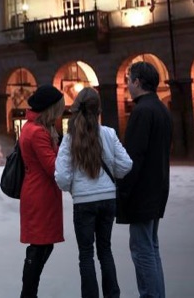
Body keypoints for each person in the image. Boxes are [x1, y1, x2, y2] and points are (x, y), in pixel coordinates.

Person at [55, 87, 133, 298]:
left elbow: (62, 177)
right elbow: (126, 165)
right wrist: (111, 177)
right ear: (98, 110)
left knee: (86, 254)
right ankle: (112, 295)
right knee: (105, 251)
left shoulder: (70, 139)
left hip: (83, 203)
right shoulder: (109, 134)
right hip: (108, 200)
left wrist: (74, 188)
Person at [118, 61, 172, 298]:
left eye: (129, 80)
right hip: (158, 188)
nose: (127, 85)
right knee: (151, 247)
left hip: (142, 192)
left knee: (142, 250)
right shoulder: (161, 109)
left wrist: (123, 191)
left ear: (137, 82)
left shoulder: (141, 111)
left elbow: (133, 158)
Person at [19, 84, 66, 298]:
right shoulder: (38, 132)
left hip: (40, 191)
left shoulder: (33, 127)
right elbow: (52, 167)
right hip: (40, 194)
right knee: (39, 247)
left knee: (42, 246)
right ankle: (28, 294)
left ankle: (29, 293)